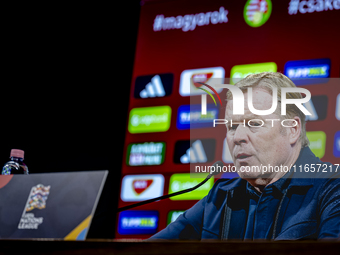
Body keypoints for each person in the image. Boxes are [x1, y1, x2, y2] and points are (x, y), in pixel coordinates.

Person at [148, 72, 340, 240]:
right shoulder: (221, 195)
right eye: (232, 126)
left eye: (254, 124)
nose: (238, 137)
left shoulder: (333, 188)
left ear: (292, 129)